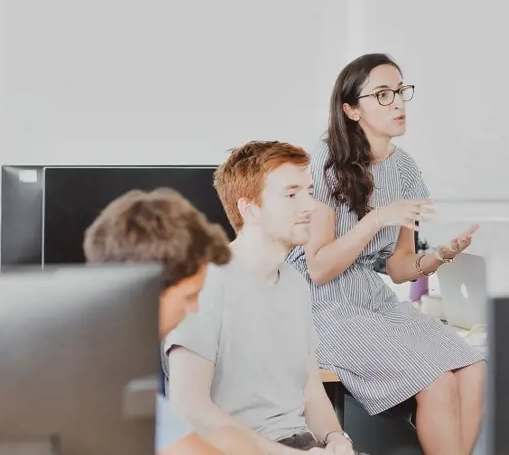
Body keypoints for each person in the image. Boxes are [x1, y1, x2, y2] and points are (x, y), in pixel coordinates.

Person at [284, 53, 487, 455]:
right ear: (352, 109)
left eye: (400, 91)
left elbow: (398, 269)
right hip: (322, 305)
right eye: (382, 94)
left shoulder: (406, 168)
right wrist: (376, 219)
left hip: (372, 299)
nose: (397, 102)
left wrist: (443, 255)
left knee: (475, 369)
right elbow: (319, 268)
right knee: (438, 380)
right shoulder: (325, 160)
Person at [164, 141, 366, 455]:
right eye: (291, 194)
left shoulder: (296, 285)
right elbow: (189, 407)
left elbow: (311, 392)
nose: (310, 206)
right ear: (249, 209)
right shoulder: (205, 282)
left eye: (309, 192)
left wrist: (336, 439)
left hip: (300, 443)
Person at [82, 187, 262, 455]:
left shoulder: (120, 364)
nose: (194, 308)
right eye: (189, 296)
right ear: (144, 291)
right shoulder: (96, 378)